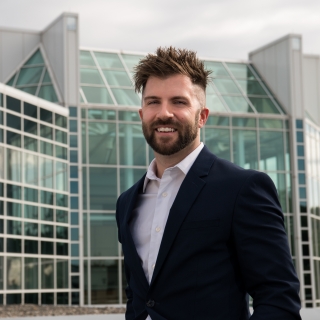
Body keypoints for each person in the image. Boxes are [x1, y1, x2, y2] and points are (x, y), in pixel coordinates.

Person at [116, 47, 301, 320]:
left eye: (179, 102)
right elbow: (139, 297)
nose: (164, 113)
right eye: (153, 101)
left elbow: (278, 299)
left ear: (202, 116)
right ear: (142, 114)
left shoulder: (243, 188)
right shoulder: (127, 202)